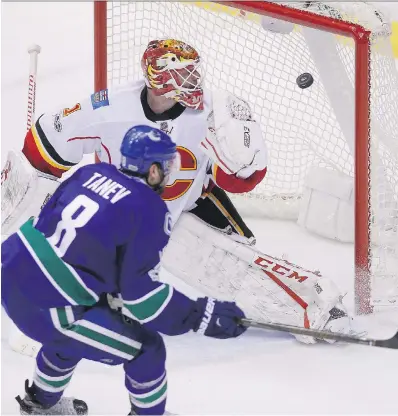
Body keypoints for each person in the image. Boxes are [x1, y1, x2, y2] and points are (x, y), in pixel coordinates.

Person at [2, 38, 352, 350]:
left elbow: (242, 181)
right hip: (129, 215)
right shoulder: (109, 109)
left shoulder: (217, 110)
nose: (194, 82)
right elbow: (43, 147)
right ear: (159, 80)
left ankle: (308, 301)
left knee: (236, 262)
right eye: (184, 76)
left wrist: (243, 161)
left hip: (194, 201)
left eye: (194, 73)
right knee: (96, 262)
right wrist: (41, 192)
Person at [1, 125, 247, 416]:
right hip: (50, 306)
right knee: (146, 348)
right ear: (153, 171)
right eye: (168, 165)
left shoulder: (90, 173)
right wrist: (201, 314)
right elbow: (143, 301)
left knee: (75, 331)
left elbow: (50, 222)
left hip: (11, 273)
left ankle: (38, 406)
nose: (170, 173)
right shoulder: (149, 208)